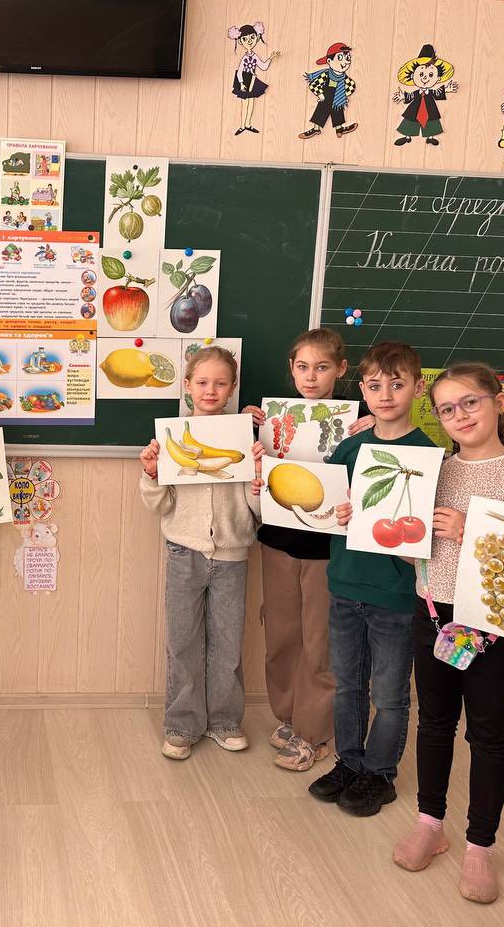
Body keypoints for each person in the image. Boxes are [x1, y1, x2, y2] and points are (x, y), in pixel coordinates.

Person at [391, 364, 504, 905]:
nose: (460, 415)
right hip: (433, 609)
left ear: (500, 401)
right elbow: (412, 535)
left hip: (495, 622)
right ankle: (430, 822)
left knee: (488, 731)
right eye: (447, 408)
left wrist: (469, 530)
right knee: (433, 722)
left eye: (471, 402)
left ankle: (481, 844)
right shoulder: (434, 470)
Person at [309, 341, 435, 816]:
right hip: (345, 584)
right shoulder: (350, 447)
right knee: (347, 684)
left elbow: (427, 536)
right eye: (375, 386)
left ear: (417, 389)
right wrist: (337, 513)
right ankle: (350, 762)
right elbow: (327, 505)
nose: (385, 395)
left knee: (389, 693)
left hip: (396, 595)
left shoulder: (428, 455)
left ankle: (380, 773)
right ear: (362, 390)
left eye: (397, 385)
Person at [255, 328, 372, 772]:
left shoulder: (360, 422)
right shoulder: (272, 419)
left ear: (340, 370)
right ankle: (289, 716)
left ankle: (315, 732)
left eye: (322, 367)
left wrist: (375, 429)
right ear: (291, 368)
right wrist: (249, 423)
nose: (311, 377)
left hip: (329, 549)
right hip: (278, 541)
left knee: (319, 643)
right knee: (281, 636)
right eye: (302, 367)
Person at [139, 346, 261, 760]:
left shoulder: (244, 439)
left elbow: (257, 509)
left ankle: (224, 721)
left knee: (227, 643)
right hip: (184, 551)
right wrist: (152, 475)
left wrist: (259, 480)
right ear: (187, 386)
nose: (211, 390)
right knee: (183, 641)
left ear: (232, 388)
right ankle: (182, 724)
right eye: (203, 382)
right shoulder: (172, 438)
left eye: (221, 383)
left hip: (232, 554)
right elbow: (159, 505)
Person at [390, 44, 459, 147]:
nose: (425, 78)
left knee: (431, 122)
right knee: (410, 122)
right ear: (412, 76)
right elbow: (411, 96)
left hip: (430, 109)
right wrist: (402, 96)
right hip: (414, 109)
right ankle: (407, 137)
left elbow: (437, 93)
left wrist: (447, 89)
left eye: (431, 75)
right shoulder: (416, 92)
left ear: (438, 78)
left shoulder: (431, 92)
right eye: (421, 74)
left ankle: (430, 138)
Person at [228, 22, 281, 136]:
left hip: (252, 80)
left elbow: (263, 66)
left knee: (251, 103)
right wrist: (241, 83)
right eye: (245, 39)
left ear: (257, 38)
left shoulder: (254, 56)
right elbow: (240, 72)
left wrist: (271, 58)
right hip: (245, 80)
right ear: (240, 41)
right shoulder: (244, 58)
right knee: (245, 104)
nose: (249, 41)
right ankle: (242, 126)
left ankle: (247, 124)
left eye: (252, 37)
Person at [300, 42, 358, 139]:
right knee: (321, 110)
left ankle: (339, 129)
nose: (345, 62)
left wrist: (344, 95)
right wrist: (320, 94)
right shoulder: (325, 74)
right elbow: (313, 84)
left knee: (338, 110)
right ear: (329, 61)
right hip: (326, 95)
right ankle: (316, 128)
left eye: (348, 58)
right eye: (340, 58)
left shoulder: (344, 78)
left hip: (337, 96)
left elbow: (351, 86)